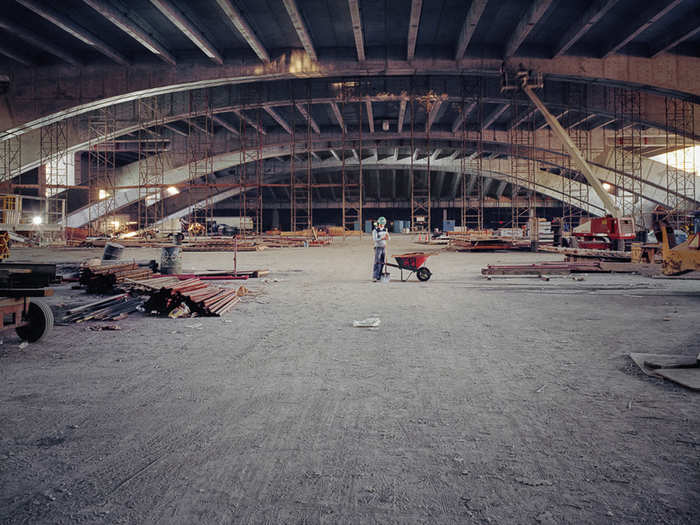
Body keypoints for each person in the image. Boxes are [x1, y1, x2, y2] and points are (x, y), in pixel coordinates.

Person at [372, 216, 390, 281]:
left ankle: (379, 275)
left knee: (382, 262)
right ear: (378, 223)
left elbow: (389, 238)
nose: (382, 225)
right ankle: (375, 276)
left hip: (384, 247)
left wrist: (387, 237)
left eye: (383, 224)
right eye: (381, 224)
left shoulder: (385, 230)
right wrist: (381, 238)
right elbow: (375, 239)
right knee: (377, 262)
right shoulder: (375, 231)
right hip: (378, 248)